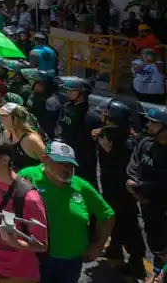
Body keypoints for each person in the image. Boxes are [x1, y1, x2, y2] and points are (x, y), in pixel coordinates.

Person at [18, 141, 114, 283]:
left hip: (73, 261)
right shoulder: (27, 176)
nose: (66, 169)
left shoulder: (81, 186)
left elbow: (107, 214)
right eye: (60, 163)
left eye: (70, 165)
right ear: (45, 159)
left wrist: (98, 246)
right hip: (38, 257)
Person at [0, 134, 48, 283]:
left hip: (17, 273)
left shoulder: (29, 198)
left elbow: (42, 246)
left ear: (5, 160)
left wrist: (16, 243)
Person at [98, 99, 147, 279]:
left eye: (106, 116)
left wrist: (110, 152)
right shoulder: (108, 134)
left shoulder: (128, 143)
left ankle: (136, 261)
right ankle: (115, 249)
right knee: (113, 220)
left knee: (129, 224)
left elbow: (129, 169)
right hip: (110, 186)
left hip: (123, 192)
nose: (102, 117)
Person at [127, 107, 167, 276]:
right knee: (154, 241)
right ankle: (157, 273)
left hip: (161, 205)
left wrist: (140, 187)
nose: (148, 125)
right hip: (147, 203)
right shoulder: (146, 143)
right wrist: (134, 185)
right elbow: (134, 164)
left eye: (154, 123)